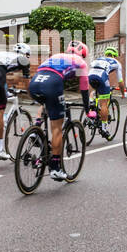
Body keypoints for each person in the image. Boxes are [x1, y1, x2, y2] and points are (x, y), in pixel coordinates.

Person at [27, 41, 90, 179]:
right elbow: (84, 89)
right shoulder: (81, 63)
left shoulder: (56, 56)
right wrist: (87, 110)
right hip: (52, 84)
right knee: (57, 127)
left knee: (45, 102)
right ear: (83, 55)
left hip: (34, 83)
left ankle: (36, 129)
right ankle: (55, 167)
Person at [87, 46, 126, 138]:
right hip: (102, 76)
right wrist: (123, 93)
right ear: (114, 56)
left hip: (90, 74)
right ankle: (103, 129)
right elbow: (120, 82)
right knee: (104, 103)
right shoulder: (116, 62)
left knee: (94, 90)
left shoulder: (99, 59)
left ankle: (91, 102)